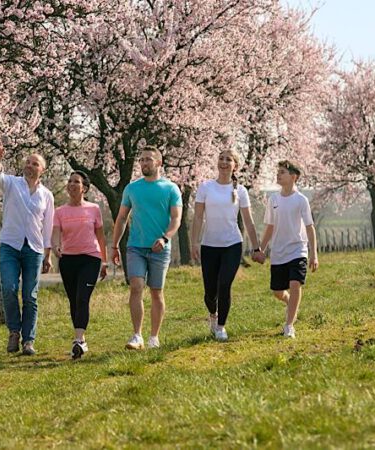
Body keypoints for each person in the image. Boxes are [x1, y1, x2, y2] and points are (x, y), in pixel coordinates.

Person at [111, 146, 182, 350]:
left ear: (159, 163)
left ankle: (154, 337)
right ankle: (137, 335)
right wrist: (115, 245)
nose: (144, 163)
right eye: (141, 160)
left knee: (156, 292)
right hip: (135, 247)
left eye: (148, 159)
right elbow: (122, 217)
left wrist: (165, 238)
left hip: (160, 247)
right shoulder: (132, 189)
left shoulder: (171, 189)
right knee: (136, 287)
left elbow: (176, 219)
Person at [190, 150, 263, 341]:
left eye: (228, 159)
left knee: (224, 285)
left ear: (235, 166)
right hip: (209, 245)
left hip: (232, 244)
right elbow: (198, 217)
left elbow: (248, 220)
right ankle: (213, 316)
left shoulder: (240, 191)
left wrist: (256, 248)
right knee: (209, 292)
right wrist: (194, 242)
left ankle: (221, 326)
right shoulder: (206, 187)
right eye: (221, 158)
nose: (223, 162)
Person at [0, 140, 54, 355]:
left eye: (34, 163)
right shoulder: (12, 183)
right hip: (10, 244)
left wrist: (48, 254)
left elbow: (47, 226)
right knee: (9, 288)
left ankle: (29, 340)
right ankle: (14, 332)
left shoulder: (47, 195)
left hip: (34, 249)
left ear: (42, 170)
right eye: (27, 162)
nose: (29, 165)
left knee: (30, 295)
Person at [258, 160, 318, 339]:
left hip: (298, 250)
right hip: (278, 252)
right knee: (278, 292)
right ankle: (290, 302)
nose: (278, 175)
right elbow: (269, 226)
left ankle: (289, 325)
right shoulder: (273, 199)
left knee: (295, 284)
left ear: (294, 177)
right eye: (278, 172)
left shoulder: (301, 200)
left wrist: (313, 254)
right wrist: (261, 249)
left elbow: (309, 227)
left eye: (282, 172)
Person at [52, 171, 108, 359]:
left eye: (76, 182)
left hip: (90, 259)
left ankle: (78, 340)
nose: (72, 184)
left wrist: (104, 261)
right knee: (73, 300)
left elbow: (100, 236)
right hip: (68, 260)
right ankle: (81, 340)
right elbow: (56, 233)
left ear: (84, 188)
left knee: (82, 298)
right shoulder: (60, 211)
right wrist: (55, 247)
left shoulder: (93, 209)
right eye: (69, 181)